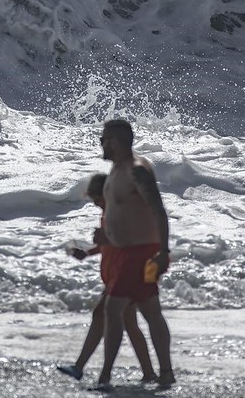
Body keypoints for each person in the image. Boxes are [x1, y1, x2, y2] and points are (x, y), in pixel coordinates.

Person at [95, 119, 175, 392]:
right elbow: (124, 213)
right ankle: (166, 374)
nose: (100, 143)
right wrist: (107, 239)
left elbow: (158, 211)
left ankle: (105, 377)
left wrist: (163, 251)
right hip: (127, 252)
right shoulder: (116, 170)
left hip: (141, 254)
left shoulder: (137, 171)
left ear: (115, 142)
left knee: (113, 308)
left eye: (103, 139)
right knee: (151, 310)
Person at [57, 174, 156, 383]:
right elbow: (110, 243)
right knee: (130, 324)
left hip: (125, 274)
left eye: (99, 200)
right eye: (94, 202)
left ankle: (82, 367)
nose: (97, 205)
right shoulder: (108, 212)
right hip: (117, 275)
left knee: (100, 315)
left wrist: (104, 240)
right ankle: (149, 373)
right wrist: (88, 252)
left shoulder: (118, 212)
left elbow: (126, 240)